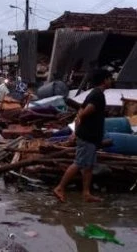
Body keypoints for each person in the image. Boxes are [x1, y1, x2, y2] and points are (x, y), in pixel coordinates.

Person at [53, 69, 113, 203]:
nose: (111, 80)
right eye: (110, 78)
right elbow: (86, 110)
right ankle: (60, 188)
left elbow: (81, 109)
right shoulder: (97, 95)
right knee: (79, 163)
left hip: (91, 137)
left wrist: (76, 128)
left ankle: (86, 193)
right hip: (87, 136)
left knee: (89, 166)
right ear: (104, 80)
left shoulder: (94, 93)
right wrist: (80, 121)